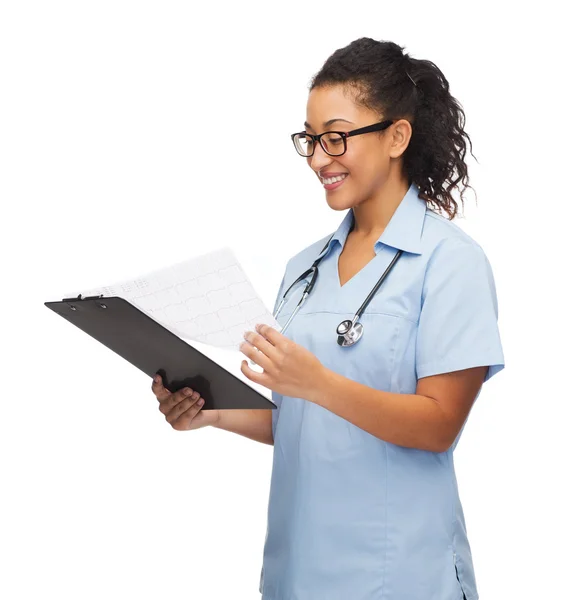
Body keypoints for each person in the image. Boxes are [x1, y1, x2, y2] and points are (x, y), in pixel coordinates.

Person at [151, 37, 505, 600]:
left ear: (396, 136)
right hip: (298, 574)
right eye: (311, 140)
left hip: (400, 576)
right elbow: (306, 424)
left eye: (336, 137)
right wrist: (213, 413)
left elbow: (438, 425)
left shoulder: (449, 262)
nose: (319, 158)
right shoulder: (304, 268)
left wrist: (317, 382)